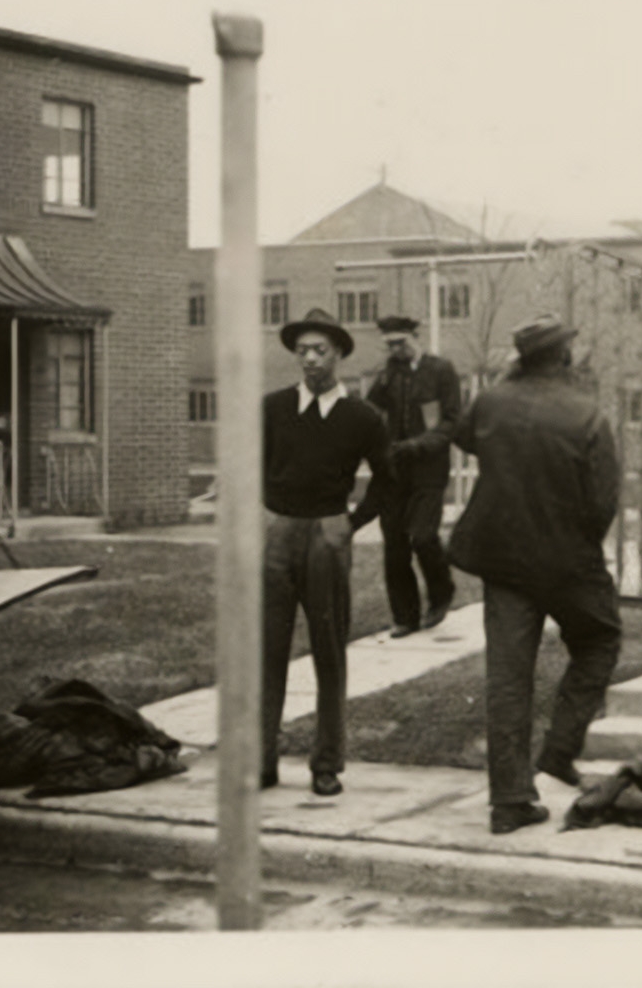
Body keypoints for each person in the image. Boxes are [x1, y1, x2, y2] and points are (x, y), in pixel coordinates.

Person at [448, 315, 622, 835]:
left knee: (508, 677)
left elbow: (466, 438)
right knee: (600, 640)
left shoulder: (490, 400)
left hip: (504, 560)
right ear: (566, 356)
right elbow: (603, 502)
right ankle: (560, 751)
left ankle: (510, 802)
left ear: (520, 357)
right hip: (569, 561)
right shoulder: (587, 413)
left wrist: (506, 384)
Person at [261, 308, 392, 797]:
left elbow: (387, 478)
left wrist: (350, 523)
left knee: (329, 648)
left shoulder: (362, 417)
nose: (311, 359)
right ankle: (261, 759)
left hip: (328, 534)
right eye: (303, 351)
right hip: (278, 532)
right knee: (266, 647)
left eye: (320, 350)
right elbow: (250, 464)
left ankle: (327, 762)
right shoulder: (272, 408)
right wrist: (267, 514)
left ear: (338, 354)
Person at [364, 315, 461, 637]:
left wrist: (419, 445)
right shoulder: (388, 373)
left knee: (422, 536)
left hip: (428, 470)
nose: (396, 350)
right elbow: (370, 412)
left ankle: (441, 593)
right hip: (394, 472)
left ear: (415, 338)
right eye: (390, 345)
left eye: (400, 343)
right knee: (394, 545)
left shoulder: (440, 370)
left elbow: (451, 421)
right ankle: (405, 617)